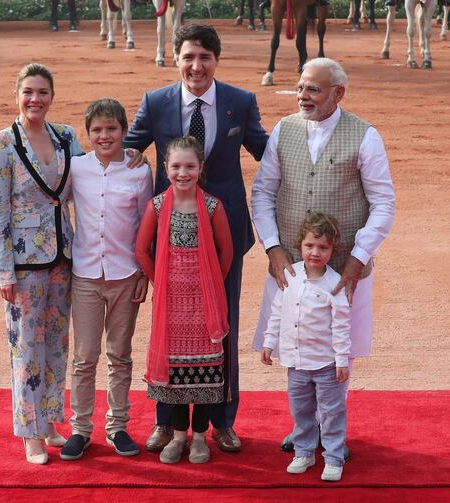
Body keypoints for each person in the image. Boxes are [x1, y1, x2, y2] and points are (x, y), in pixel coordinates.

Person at [0, 64, 145, 465]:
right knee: (25, 347)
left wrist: (133, 153)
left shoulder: (66, 137)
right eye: (28, 92)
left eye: (42, 92)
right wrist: (3, 270)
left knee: (57, 344)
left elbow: (98, 167)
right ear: (16, 95)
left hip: (65, 260)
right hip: (22, 263)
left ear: (52, 96)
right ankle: (30, 434)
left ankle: (53, 423)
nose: (35, 99)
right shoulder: (1, 144)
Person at [124, 23, 269, 453]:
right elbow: (127, 148)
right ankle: (166, 424)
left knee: (219, 328)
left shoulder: (240, 103)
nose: (196, 65)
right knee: (169, 330)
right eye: (189, 56)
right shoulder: (156, 102)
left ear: (216, 61)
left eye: (205, 57)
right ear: (176, 59)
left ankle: (221, 422)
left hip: (223, 238)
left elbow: (266, 150)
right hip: (170, 239)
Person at [250, 57, 395, 453]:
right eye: (300, 87)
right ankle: (305, 430)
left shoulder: (365, 136)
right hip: (291, 270)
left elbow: (383, 203)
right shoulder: (284, 129)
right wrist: (274, 248)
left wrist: (357, 258)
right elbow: (262, 193)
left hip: (344, 267)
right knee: (296, 348)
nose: (302, 96)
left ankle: (331, 434)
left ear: (338, 93)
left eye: (312, 89)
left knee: (336, 352)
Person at [60, 98, 153, 461]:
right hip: (84, 275)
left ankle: (117, 426)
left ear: (124, 132)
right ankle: (80, 429)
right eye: (97, 130)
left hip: (125, 275)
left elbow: (147, 223)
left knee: (120, 356)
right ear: (88, 134)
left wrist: (144, 271)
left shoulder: (138, 171)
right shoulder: (76, 168)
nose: (104, 135)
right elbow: (56, 202)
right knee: (84, 358)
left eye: (111, 129)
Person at [135, 136, 234, 464]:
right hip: (171, 306)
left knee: (204, 372)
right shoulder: (158, 206)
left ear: (200, 168)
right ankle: (178, 437)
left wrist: (209, 285)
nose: (183, 172)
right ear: (166, 168)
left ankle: (201, 438)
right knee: (177, 375)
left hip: (204, 305)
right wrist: (159, 282)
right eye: (176, 166)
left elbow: (227, 251)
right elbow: (141, 249)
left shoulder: (212, 206)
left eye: (190, 166)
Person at [260, 213, 350, 482]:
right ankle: (304, 452)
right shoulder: (290, 275)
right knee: (301, 410)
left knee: (332, 412)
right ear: (300, 245)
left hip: (326, 364)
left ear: (332, 250)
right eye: (310, 245)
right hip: (296, 363)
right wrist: (268, 342)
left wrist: (342, 359)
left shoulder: (335, 284)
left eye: (323, 247)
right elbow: (277, 311)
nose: (315, 252)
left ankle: (333, 458)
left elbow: (342, 325)